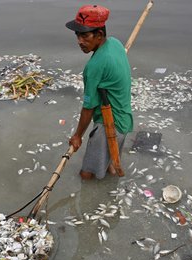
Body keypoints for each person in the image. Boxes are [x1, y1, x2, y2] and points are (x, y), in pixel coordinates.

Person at [66, 4, 133, 180]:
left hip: (110, 124)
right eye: (78, 35)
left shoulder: (94, 66)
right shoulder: (116, 44)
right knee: (109, 161)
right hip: (124, 118)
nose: (80, 41)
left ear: (99, 35)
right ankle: (111, 180)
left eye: (85, 35)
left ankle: (91, 199)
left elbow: (89, 107)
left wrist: (77, 136)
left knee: (87, 174)